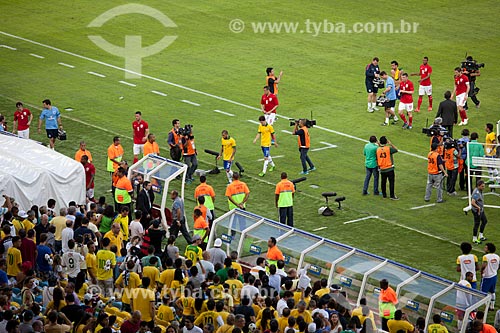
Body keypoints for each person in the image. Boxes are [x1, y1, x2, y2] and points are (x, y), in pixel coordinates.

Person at [481, 243, 500, 310]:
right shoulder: (497, 256)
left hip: (487, 277)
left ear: (488, 250)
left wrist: (481, 272)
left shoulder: (485, 257)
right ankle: (492, 306)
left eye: (485, 248)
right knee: (492, 291)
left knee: (483, 293)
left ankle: (487, 307)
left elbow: (484, 265)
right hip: (494, 276)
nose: (484, 249)